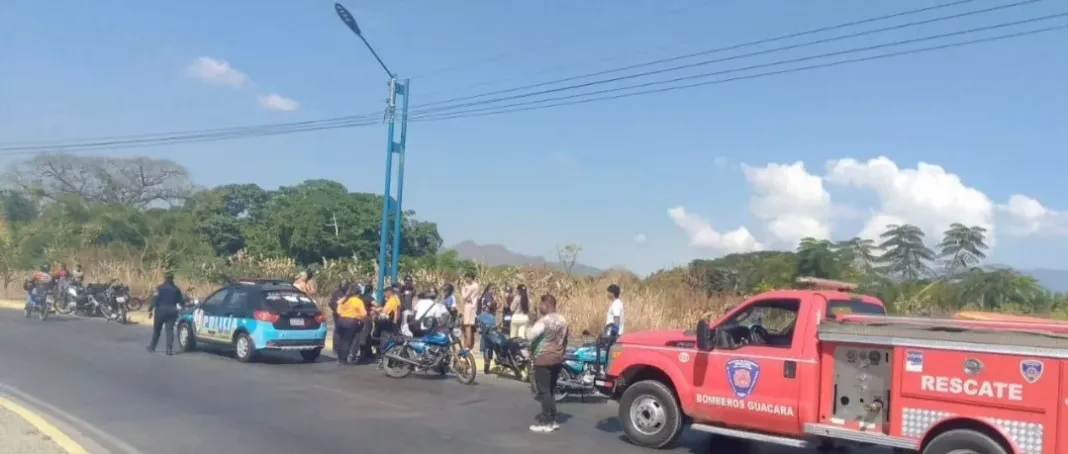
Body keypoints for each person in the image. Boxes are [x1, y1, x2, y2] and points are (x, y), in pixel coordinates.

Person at [528, 294, 568, 433]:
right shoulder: (563, 320)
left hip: (543, 359)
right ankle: (552, 420)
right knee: (550, 390)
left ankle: (545, 422)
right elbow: (565, 340)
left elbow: (530, 336)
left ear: (546, 304)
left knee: (544, 391)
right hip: (557, 359)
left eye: (541, 305)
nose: (540, 307)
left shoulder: (543, 321)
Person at [147, 271, 184, 355]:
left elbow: (155, 299)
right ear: (172, 278)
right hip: (172, 311)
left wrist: (150, 309)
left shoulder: (159, 288)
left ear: (165, 278)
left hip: (160, 311)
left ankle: (152, 347)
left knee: (157, 330)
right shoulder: (176, 289)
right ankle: (169, 349)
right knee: (170, 330)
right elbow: (181, 301)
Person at [335, 286, 367, 365]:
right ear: (358, 293)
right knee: (347, 341)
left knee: (341, 340)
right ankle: (344, 359)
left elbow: (338, 311)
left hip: (341, 320)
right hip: (351, 322)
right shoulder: (358, 301)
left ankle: (339, 358)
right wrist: (359, 317)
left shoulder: (344, 299)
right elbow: (364, 313)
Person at [477, 284, 498, 374]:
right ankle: (487, 363)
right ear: (489, 289)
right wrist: (495, 302)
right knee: (490, 339)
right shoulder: (489, 296)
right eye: (493, 288)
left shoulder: (483, 296)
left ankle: (486, 361)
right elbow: (491, 306)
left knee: (484, 337)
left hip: (481, 317)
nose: (494, 290)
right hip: (488, 317)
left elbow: (478, 308)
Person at [328, 280, 351, 358]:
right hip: (338, 314)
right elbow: (332, 303)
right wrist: (337, 311)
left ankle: (341, 348)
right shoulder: (337, 293)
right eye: (343, 284)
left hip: (345, 315)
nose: (344, 286)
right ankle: (336, 348)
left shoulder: (348, 293)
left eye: (345, 284)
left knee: (342, 331)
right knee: (338, 331)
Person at [460, 272, 480, 349]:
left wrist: (463, 288)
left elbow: (464, 296)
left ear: (471, 277)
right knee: (469, 329)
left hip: (469, 307)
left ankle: (467, 347)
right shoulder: (475, 286)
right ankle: (469, 346)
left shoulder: (473, 286)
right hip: (472, 307)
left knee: (467, 327)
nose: (466, 279)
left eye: (467, 277)